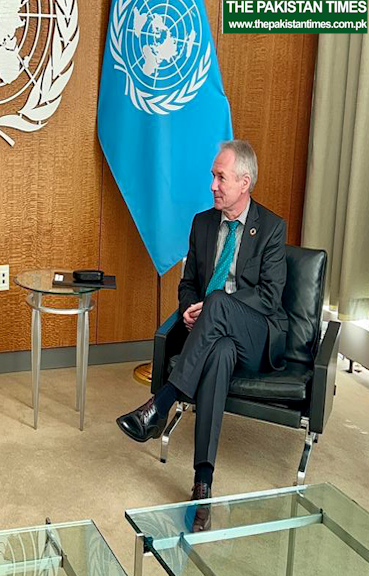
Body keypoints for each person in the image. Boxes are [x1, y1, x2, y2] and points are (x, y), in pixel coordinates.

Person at [116, 140, 288, 531]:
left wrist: (213, 305)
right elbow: (188, 284)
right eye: (213, 175)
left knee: (220, 302)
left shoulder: (272, 228)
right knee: (220, 353)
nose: (212, 184)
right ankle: (203, 483)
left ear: (244, 183)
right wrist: (193, 307)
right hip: (218, 338)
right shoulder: (203, 223)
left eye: (220, 177)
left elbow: (269, 296)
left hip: (257, 336)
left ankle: (161, 403)